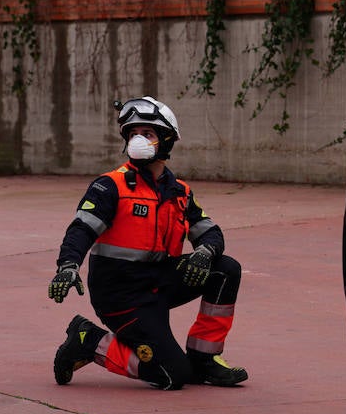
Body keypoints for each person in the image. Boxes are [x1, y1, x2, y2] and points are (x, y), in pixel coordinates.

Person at [48, 97, 248, 390]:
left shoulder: (179, 191)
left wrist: (205, 251)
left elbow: (210, 232)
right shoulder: (110, 186)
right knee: (173, 376)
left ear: (167, 141)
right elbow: (81, 229)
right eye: (133, 134)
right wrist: (68, 265)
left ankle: (205, 360)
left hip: (157, 282)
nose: (138, 140)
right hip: (121, 295)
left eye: (148, 134)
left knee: (224, 268)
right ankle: (88, 340)